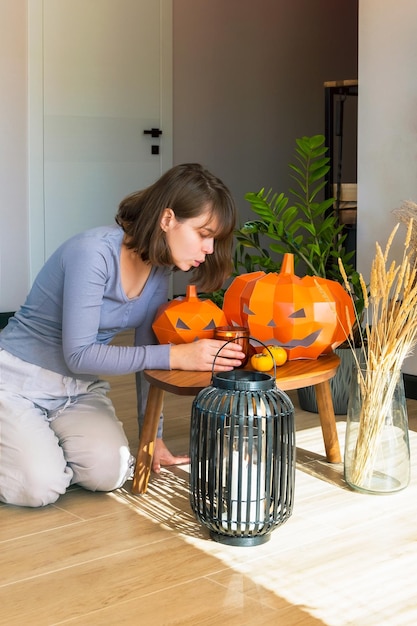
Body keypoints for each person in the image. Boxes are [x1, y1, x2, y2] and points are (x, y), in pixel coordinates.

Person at [0, 163, 245, 507]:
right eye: (204, 234)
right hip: (17, 382)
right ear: (167, 219)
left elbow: (146, 353)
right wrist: (177, 355)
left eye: (214, 239)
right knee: (40, 487)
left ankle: (35, 442)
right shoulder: (93, 253)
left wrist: (153, 438)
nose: (209, 248)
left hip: (76, 391)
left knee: (110, 474)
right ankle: (30, 447)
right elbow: (80, 354)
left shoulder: (159, 272)